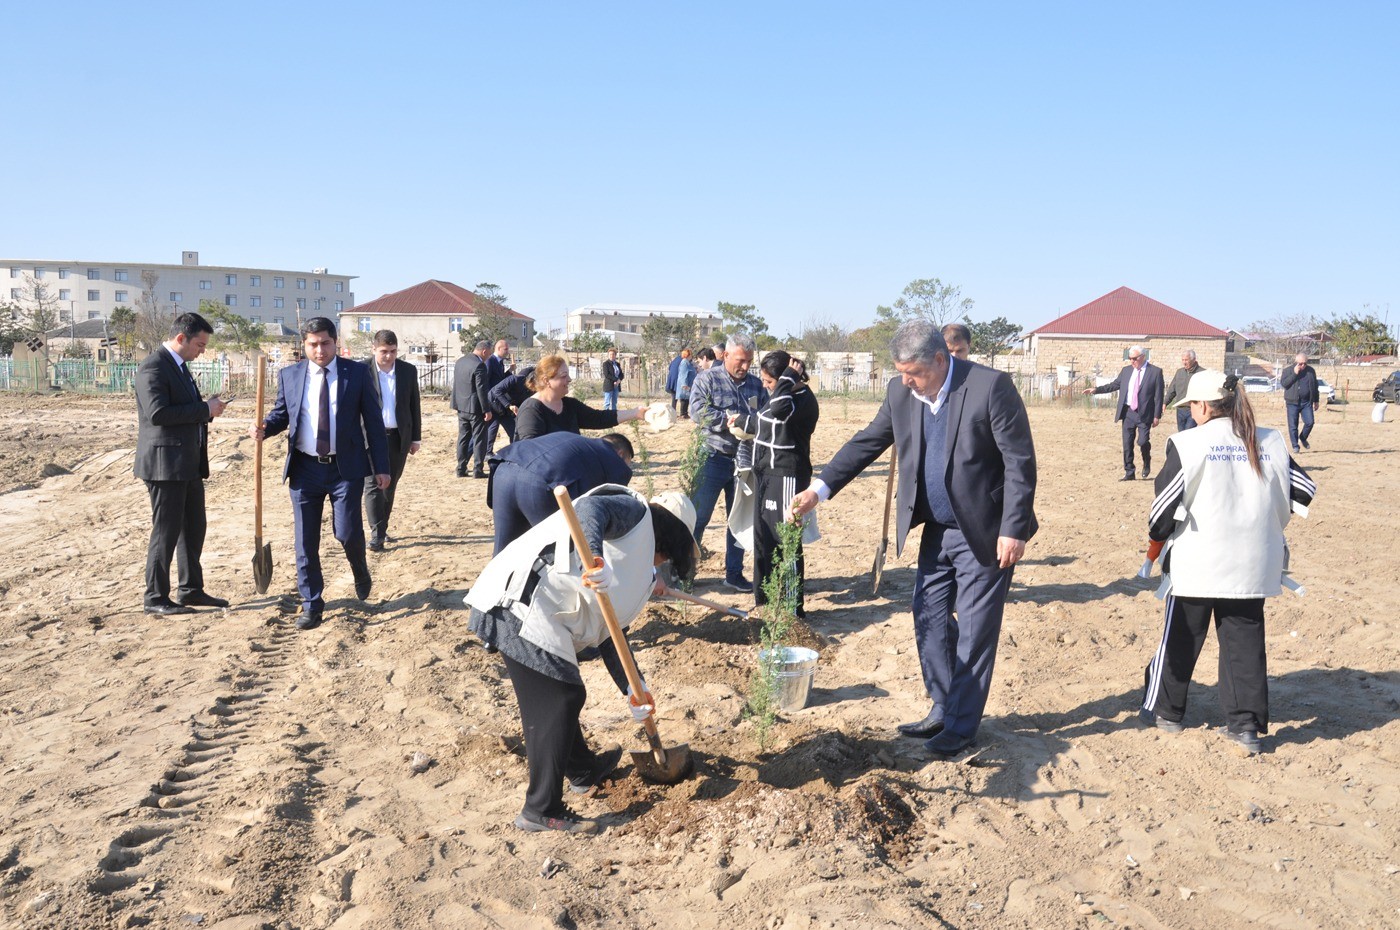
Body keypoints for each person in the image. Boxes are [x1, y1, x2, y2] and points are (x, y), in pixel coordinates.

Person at [789, 321, 1037, 757]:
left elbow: (1019, 461)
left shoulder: (989, 388)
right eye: (900, 372)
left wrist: (1014, 529)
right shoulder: (902, 392)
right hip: (938, 528)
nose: (906, 381)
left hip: (985, 529)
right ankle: (944, 705)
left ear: (941, 360)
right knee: (928, 614)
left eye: (914, 373)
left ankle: (960, 728)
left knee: (975, 632)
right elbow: (867, 442)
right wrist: (818, 489)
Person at [466, 487, 700, 834]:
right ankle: (540, 809)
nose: (663, 564)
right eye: (667, 558)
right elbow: (590, 508)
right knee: (561, 696)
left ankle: (583, 770)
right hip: (518, 603)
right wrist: (593, 559)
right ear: (672, 539)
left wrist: (635, 689)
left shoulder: (633, 567)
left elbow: (612, 637)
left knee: (560, 694)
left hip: (541, 614)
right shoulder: (635, 516)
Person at [1139, 372, 1316, 755]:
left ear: (1202, 406)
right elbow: (1304, 490)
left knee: (1182, 636)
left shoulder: (1189, 442)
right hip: (1256, 560)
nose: (1190, 414)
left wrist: (1159, 539)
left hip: (1199, 561)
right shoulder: (1270, 439)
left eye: (1190, 407)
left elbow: (1162, 510)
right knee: (1244, 642)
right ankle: (1246, 727)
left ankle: (1167, 713)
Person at [250, 318, 390, 631]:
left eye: (325, 343)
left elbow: (374, 423)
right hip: (304, 470)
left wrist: (381, 466)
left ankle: (359, 568)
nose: (320, 350)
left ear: (335, 341)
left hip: (346, 470)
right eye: (313, 344)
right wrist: (264, 429)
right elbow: (281, 415)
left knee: (347, 532)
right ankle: (312, 604)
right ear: (304, 345)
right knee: (305, 542)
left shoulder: (356, 373)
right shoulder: (290, 375)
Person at [134, 311, 229, 615]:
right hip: (165, 466)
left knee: (193, 528)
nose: (202, 351)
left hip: (186, 463)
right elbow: (158, 414)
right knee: (166, 532)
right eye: (200, 345)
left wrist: (207, 408)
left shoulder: (180, 366)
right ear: (181, 338)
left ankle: (190, 589)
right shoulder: (154, 367)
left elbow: (183, 407)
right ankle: (155, 597)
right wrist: (205, 408)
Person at [729, 351, 819, 617]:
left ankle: (791, 610)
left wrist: (787, 378)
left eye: (770, 382)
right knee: (763, 538)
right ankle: (765, 603)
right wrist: (742, 421)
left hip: (787, 476)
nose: (767, 387)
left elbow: (778, 410)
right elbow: (764, 420)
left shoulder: (799, 399)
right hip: (765, 474)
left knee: (785, 540)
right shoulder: (781, 394)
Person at [689, 333, 769, 592]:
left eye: (749, 361)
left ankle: (734, 574)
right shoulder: (707, 379)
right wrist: (729, 420)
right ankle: (684, 573)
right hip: (712, 458)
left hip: (745, 462)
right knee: (698, 518)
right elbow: (697, 411)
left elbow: (766, 416)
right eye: (740, 360)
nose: (745, 366)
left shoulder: (756, 386)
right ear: (725, 356)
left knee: (739, 519)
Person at [488, 431, 635, 553]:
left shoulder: (574, 440)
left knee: (503, 553)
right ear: (621, 454)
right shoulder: (616, 463)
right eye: (629, 462)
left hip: (504, 468)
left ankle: (492, 588)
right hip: (540, 482)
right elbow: (610, 510)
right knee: (556, 552)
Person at [362, 330, 422, 552]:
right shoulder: (362, 370)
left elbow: (414, 405)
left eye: (393, 351)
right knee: (373, 486)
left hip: (398, 438)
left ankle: (382, 527)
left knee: (390, 486)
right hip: (368, 438)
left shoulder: (407, 371)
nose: (388, 356)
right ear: (374, 349)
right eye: (384, 351)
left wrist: (416, 437)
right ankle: (376, 534)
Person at [515, 355, 645, 441]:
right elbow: (530, 450)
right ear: (546, 380)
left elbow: (598, 418)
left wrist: (635, 412)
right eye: (564, 376)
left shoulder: (570, 406)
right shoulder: (531, 410)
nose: (570, 379)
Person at [1084, 345, 1165, 481]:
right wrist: (1096, 390)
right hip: (1127, 412)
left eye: (1134, 358)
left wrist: (1157, 416)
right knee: (1127, 444)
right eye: (1130, 358)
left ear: (1143, 357)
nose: (1132, 361)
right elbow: (1114, 385)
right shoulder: (1126, 371)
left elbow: (1158, 396)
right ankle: (1129, 472)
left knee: (1143, 441)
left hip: (1144, 413)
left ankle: (1146, 461)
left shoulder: (1155, 372)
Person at [451, 340, 493, 478]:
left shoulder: (460, 361)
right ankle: (478, 469)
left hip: (461, 407)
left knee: (463, 438)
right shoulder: (479, 365)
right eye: (490, 353)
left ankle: (461, 468)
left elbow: (456, 384)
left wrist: (456, 403)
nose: (489, 356)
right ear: (484, 351)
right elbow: (481, 389)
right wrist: (486, 409)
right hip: (475, 409)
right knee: (480, 439)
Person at [1280, 352, 1319, 453]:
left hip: (1306, 402)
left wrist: (1316, 400)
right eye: (1300, 363)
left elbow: (1315, 386)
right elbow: (1284, 384)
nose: (1303, 366)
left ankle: (1302, 437)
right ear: (1296, 362)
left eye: (1305, 363)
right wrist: (1295, 374)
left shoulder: (1311, 371)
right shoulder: (1288, 370)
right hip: (1292, 402)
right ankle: (1295, 445)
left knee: (1310, 422)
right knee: (1293, 425)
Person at [488, 364, 534, 444]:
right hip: (492, 405)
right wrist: (509, 405)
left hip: (506, 411)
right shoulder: (515, 379)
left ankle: (513, 453)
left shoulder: (531, 390)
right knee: (482, 433)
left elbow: (523, 402)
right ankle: (466, 454)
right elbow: (497, 391)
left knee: (515, 433)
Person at [1162, 349, 1206, 432]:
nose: (1184, 362)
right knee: (1181, 433)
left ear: (1193, 359)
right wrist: (1165, 402)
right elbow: (1172, 389)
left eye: (1186, 360)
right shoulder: (1179, 372)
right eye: (1183, 360)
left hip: (1193, 409)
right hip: (1180, 410)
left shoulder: (1202, 373)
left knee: (1188, 432)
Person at [485, 339, 512, 454]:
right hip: (492, 400)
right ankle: (487, 452)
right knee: (493, 426)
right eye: (506, 349)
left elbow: (500, 380)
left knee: (494, 426)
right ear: (499, 349)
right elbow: (486, 381)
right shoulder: (490, 361)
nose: (507, 351)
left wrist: (509, 371)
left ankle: (488, 451)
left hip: (499, 400)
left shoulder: (500, 362)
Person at [676, 348, 697, 419]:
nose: (692, 355)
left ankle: (685, 413)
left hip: (689, 383)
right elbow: (683, 374)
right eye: (691, 354)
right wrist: (684, 384)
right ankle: (683, 414)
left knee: (687, 399)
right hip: (685, 384)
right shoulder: (684, 362)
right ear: (688, 355)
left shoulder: (689, 362)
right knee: (684, 399)